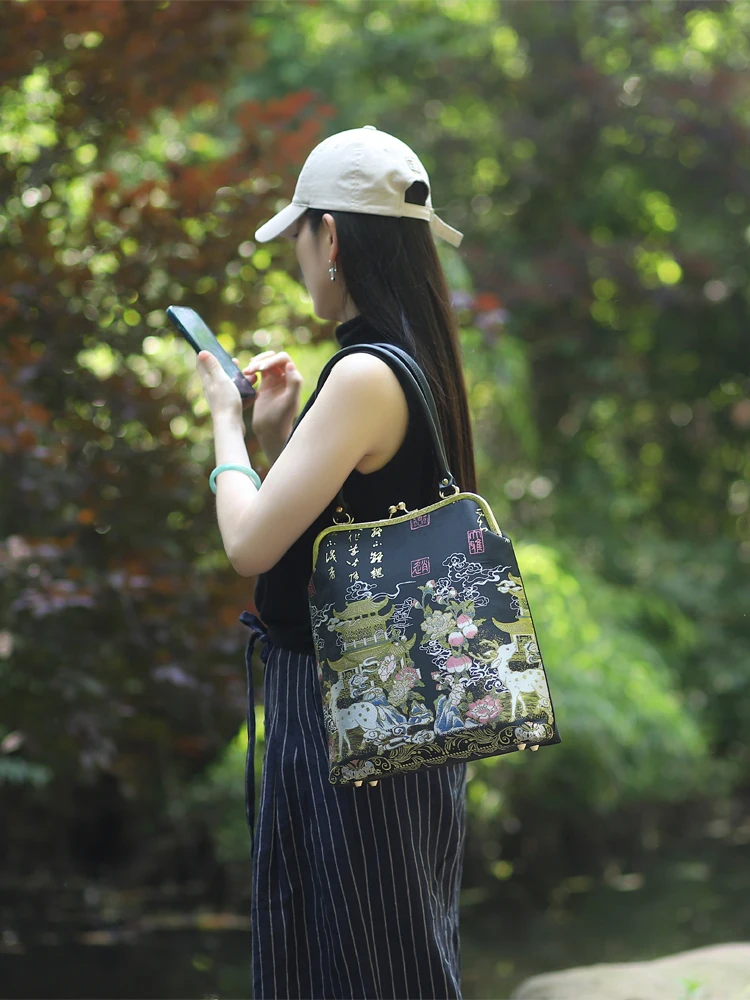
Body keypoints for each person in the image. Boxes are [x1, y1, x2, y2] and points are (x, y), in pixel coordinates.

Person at [195, 125, 478, 1000]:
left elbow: (248, 542)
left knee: (361, 959)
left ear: (334, 240)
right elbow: (332, 527)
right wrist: (278, 434)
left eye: (301, 236)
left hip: (352, 714)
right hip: (393, 702)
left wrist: (226, 424)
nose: (297, 260)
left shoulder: (361, 375)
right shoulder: (416, 357)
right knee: (373, 952)